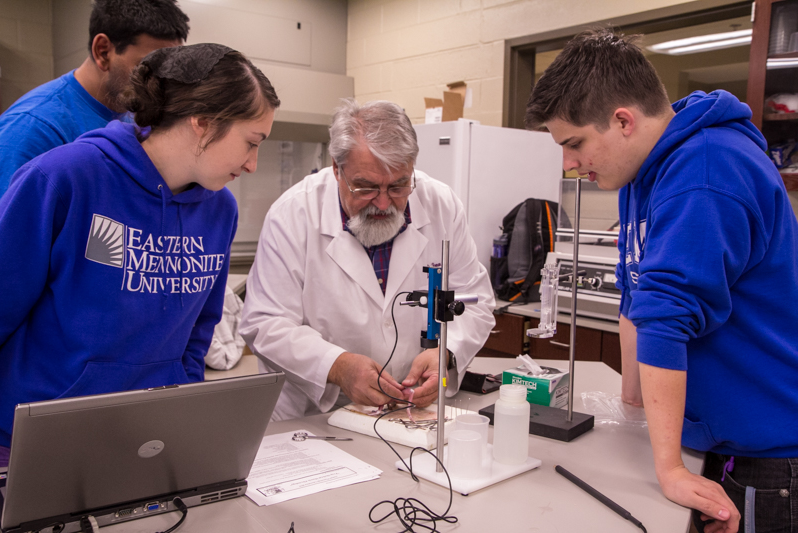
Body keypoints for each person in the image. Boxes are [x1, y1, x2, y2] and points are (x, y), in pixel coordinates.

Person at [526, 29, 798, 533]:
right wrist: (632, 402)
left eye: (574, 143)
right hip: (712, 441)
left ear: (623, 121)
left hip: (768, 454)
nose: (568, 164)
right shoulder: (641, 173)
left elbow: (664, 318)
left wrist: (669, 469)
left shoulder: (706, 171)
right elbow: (636, 296)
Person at [0, 44, 280, 467]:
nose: (253, 164)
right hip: (35, 436)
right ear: (203, 122)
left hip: (146, 438)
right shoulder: (65, 178)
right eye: (251, 143)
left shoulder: (220, 210)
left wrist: (179, 411)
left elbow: (197, 332)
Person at [239, 99, 496, 421]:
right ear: (336, 169)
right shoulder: (293, 214)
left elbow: (474, 301)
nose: (384, 203)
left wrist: (446, 353)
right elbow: (265, 323)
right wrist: (337, 366)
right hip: (314, 415)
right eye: (366, 187)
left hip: (412, 408)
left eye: (399, 185)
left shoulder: (441, 204)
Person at [0, 0, 190, 199]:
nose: (161, 83)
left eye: (168, 69)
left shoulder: (137, 114)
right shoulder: (31, 130)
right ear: (103, 51)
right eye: (148, 67)